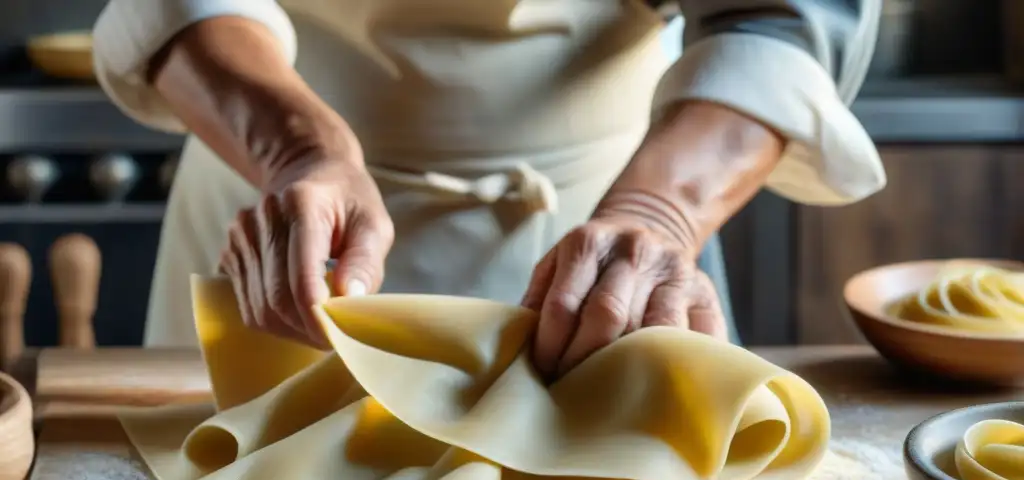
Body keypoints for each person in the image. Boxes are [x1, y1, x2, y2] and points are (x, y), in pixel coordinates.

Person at [93, 0, 885, 379]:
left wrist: (660, 212)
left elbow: (777, 18)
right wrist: (297, 150)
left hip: (609, 227)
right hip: (276, 201)